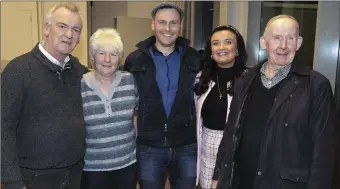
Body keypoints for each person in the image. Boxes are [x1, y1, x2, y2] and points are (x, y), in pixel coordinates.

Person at [214, 15, 335, 189]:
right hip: (241, 182)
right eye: (277, 38)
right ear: (264, 42)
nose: (284, 46)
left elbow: (324, 151)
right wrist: (219, 175)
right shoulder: (245, 80)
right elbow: (230, 133)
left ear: (299, 43)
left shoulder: (316, 86)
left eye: (290, 38)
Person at [1, 3, 88, 189]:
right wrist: (14, 182)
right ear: (47, 29)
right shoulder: (18, 70)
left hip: (74, 174)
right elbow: (3, 128)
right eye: (62, 26)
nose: (69, 34)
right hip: (33, 179)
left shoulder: (78, 71)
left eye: (76, 29)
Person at [124, 2, 200, 189]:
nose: (168, 28)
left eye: (173, 23)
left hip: (186, 146)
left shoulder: (195, 58)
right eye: (162, 22)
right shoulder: (135, 59)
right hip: (150, 147)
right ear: (153, 25)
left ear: (180, 26)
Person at [80, 28, 138, 189]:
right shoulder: (80, 85)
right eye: (101, 53)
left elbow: (146, 114)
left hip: (127, 166)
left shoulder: (130, 81)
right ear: (92, 56)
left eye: (113, 54)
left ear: (119, 58)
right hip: (92, 169)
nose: (107, 59)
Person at [194, 25, 248, 189]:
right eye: (215, 43)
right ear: (210, 50)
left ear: (237, 48)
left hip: (236, 150)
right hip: (206, 148)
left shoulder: (249, 80)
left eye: (228, 42)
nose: (222, 48)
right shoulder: (201, 79)